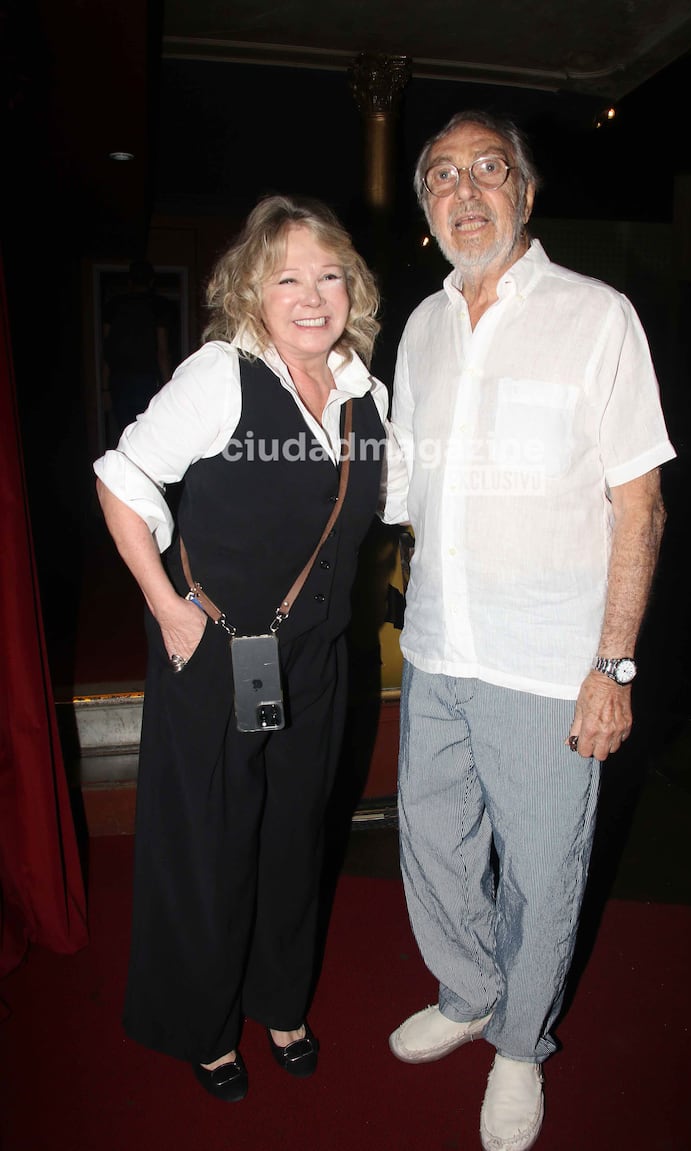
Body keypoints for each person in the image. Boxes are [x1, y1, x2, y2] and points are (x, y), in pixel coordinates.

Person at [381, 110, 676, 1150]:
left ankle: (517, 1044)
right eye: (442, 177)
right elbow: (401, 490)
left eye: (487, 170)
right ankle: (466, 988)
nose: (465, 191)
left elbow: (637, 505)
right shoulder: (419, 326)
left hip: (551, 662)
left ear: (525, 192)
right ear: (425, 210)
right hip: (434, 651)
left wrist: (613, 662)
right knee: (432, 840)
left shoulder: (596, 317)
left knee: (544, 864)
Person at [93, 194, 399, 1101]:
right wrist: (167, 607)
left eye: (330, 275)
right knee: (210, 842)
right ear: (251, 292)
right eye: (288, 277)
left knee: (295, 835)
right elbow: (123, 477)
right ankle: (202, 1019)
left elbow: (405, 500)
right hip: (217, 646)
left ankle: (279, 996)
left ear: (354, 288)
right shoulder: (222, 375)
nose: (313, 295)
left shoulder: (362, 391)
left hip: (316, 659)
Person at [101, 259, 173, 437]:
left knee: (126, 435)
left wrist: (104, 388)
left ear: (130, 282)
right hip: (146, 380)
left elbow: (106, 349)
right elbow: (162, 351)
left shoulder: (114, 306)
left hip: (120, 380)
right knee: (148, 436)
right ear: (151, 282)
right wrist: (168, 387)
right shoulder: (158, 306)